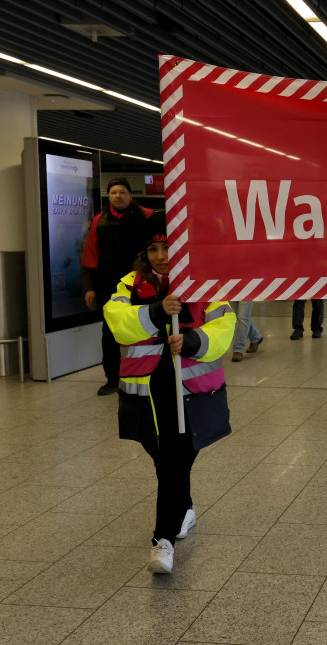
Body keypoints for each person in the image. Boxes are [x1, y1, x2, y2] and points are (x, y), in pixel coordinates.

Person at [103, 212, 235, 575]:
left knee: (176, 458)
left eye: (169, 248)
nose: (162, 256)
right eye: (154, 248)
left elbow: (224, 325)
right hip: (147, 393)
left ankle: (163, 541)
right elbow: (117, 322)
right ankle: (185, 507)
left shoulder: (207, 283)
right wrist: (156, 311)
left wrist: (193, 339)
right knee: (166, 460)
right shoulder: (128, 285)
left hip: (191, 392)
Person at [83, 178, 154, 396]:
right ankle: (112, 378)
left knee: (147, 326)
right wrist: (90, 287)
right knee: (110, 331)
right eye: (113, 192)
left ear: (130, 195)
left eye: (122, 192)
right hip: (108, 284)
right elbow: (91, 254)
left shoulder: (148, 216)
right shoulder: (99, 221)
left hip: (141, 281)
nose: (118, 196)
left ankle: (149, 373)